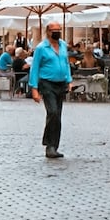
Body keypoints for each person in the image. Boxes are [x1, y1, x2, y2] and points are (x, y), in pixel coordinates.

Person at [28, 21, 73, 157]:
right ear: (48, 32)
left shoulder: (63, 45)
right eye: (54, 30)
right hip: (47, 83)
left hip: (61, 83)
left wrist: (69, 80)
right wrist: (34, 88)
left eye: (59, 29)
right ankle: (49, 145)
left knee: (57, 115)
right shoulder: (41, 48)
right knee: (52, 112)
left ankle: (54, 146)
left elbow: (66, 63)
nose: (57, 32)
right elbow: (34, 68)